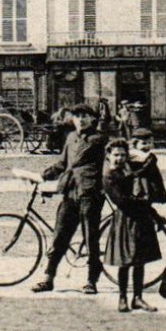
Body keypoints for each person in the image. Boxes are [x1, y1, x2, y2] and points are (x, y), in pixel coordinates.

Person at [32, 104, 106, 294]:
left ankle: (91, 280)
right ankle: (48, 278)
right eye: (77, 116)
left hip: (90, 194)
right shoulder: (71, 138)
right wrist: (43, 175)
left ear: (93, 120)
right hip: (70, 192)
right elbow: (63, 164)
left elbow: (108, 164)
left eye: (85, 116)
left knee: (91, 238)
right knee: (60, 235)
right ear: (72, 119)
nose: (81, 119)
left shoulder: (99, 139)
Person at [101, 138, 164, 312]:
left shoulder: (129, 170)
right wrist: (143, 202)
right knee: (125, 260)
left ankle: (138, 297)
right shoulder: (109, 176)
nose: (119, 158)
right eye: (116, 155)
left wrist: (154, 215)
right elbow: (121, 201)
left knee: (140, 260)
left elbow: (143, 193)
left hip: (141, 218)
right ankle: (122, 297)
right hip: (125, 219)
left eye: (123, 155)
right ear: (108, 156)